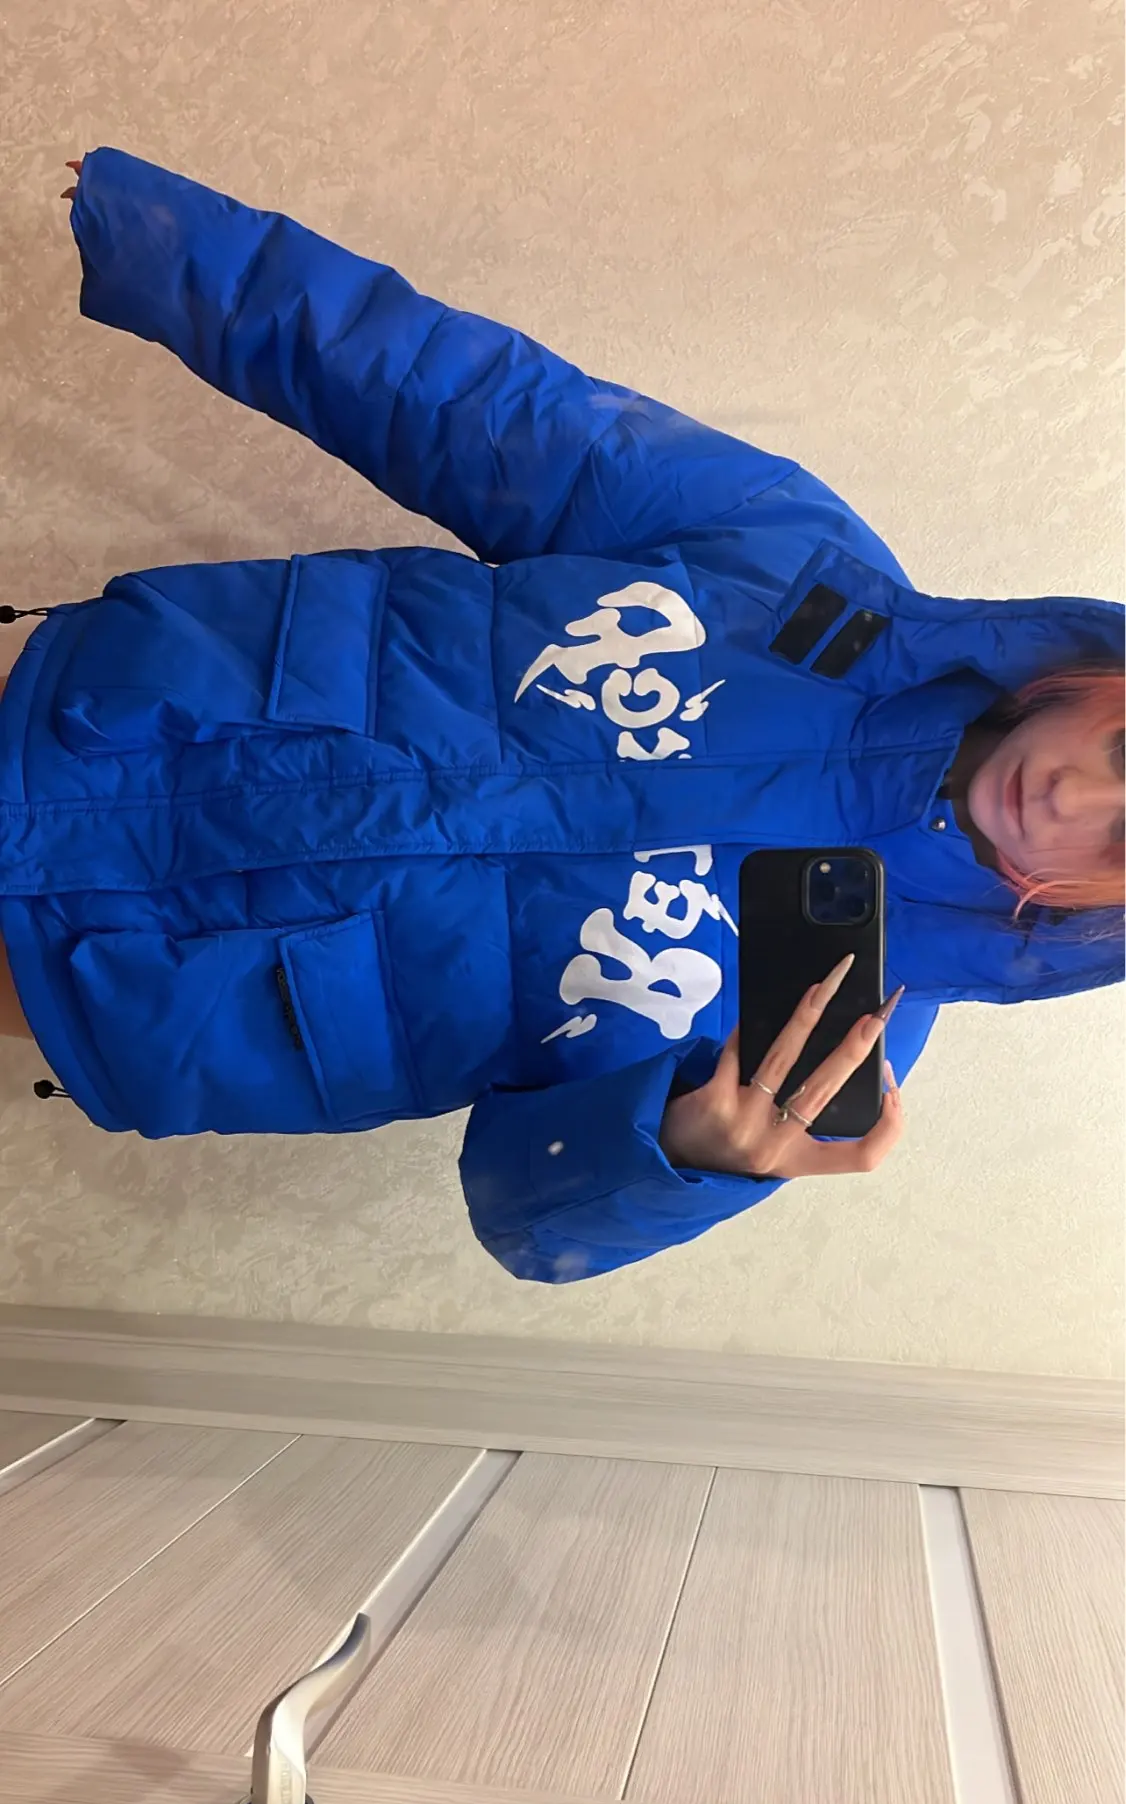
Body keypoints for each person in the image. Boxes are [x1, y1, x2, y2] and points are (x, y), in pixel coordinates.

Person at [0, 150, 1121, 1284]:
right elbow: (461, 400)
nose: (1070, 795)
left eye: (1122, 838)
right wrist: (175, 245)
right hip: (119, 710)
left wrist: (683, 1153)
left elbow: (524, 1214)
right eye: (1122, 751)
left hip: (131, 980)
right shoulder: (802, 567)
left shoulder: (841, 1036)